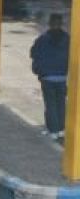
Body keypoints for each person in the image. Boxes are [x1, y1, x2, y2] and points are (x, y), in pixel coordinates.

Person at [30, 12, 68, 142]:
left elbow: (33, 53)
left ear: (50, 24)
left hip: (47, 77)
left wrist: (39, 69)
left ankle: (52, 130)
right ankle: (61, 129)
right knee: (61, 103)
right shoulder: (68, 39)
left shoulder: (42, 39)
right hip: (62, 77)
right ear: (61, 24)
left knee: (50, 104)